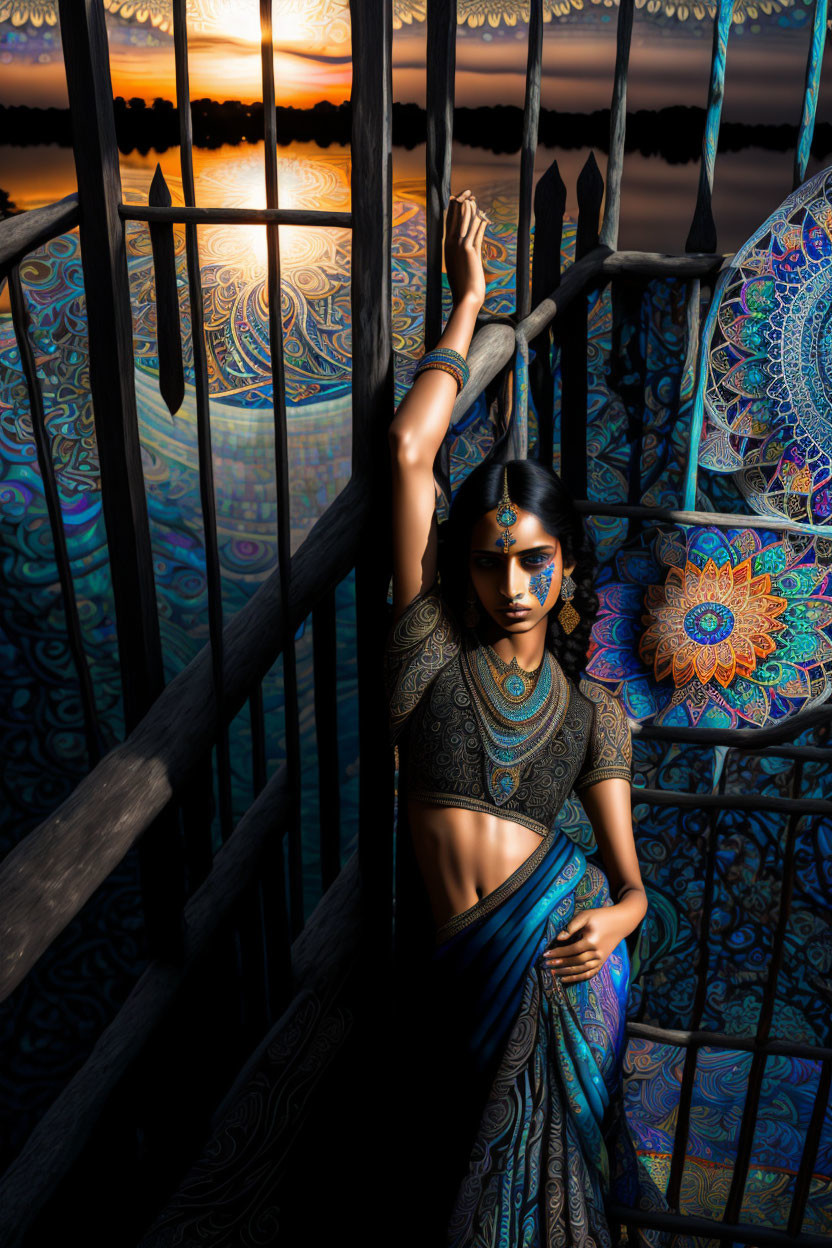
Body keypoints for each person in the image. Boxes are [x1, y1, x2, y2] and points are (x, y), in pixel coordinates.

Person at [383, 189, 677, 1247]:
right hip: (464, 964)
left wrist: (614, 920)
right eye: (491, 560)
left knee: (562, 1203)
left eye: (533, 560)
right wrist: (469, 304)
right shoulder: (428, 650)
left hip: (566, 958)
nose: (511, 581)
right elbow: (411, 450)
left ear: (563, 570)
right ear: (463, 568)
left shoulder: (595, 713)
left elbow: (635, 882)